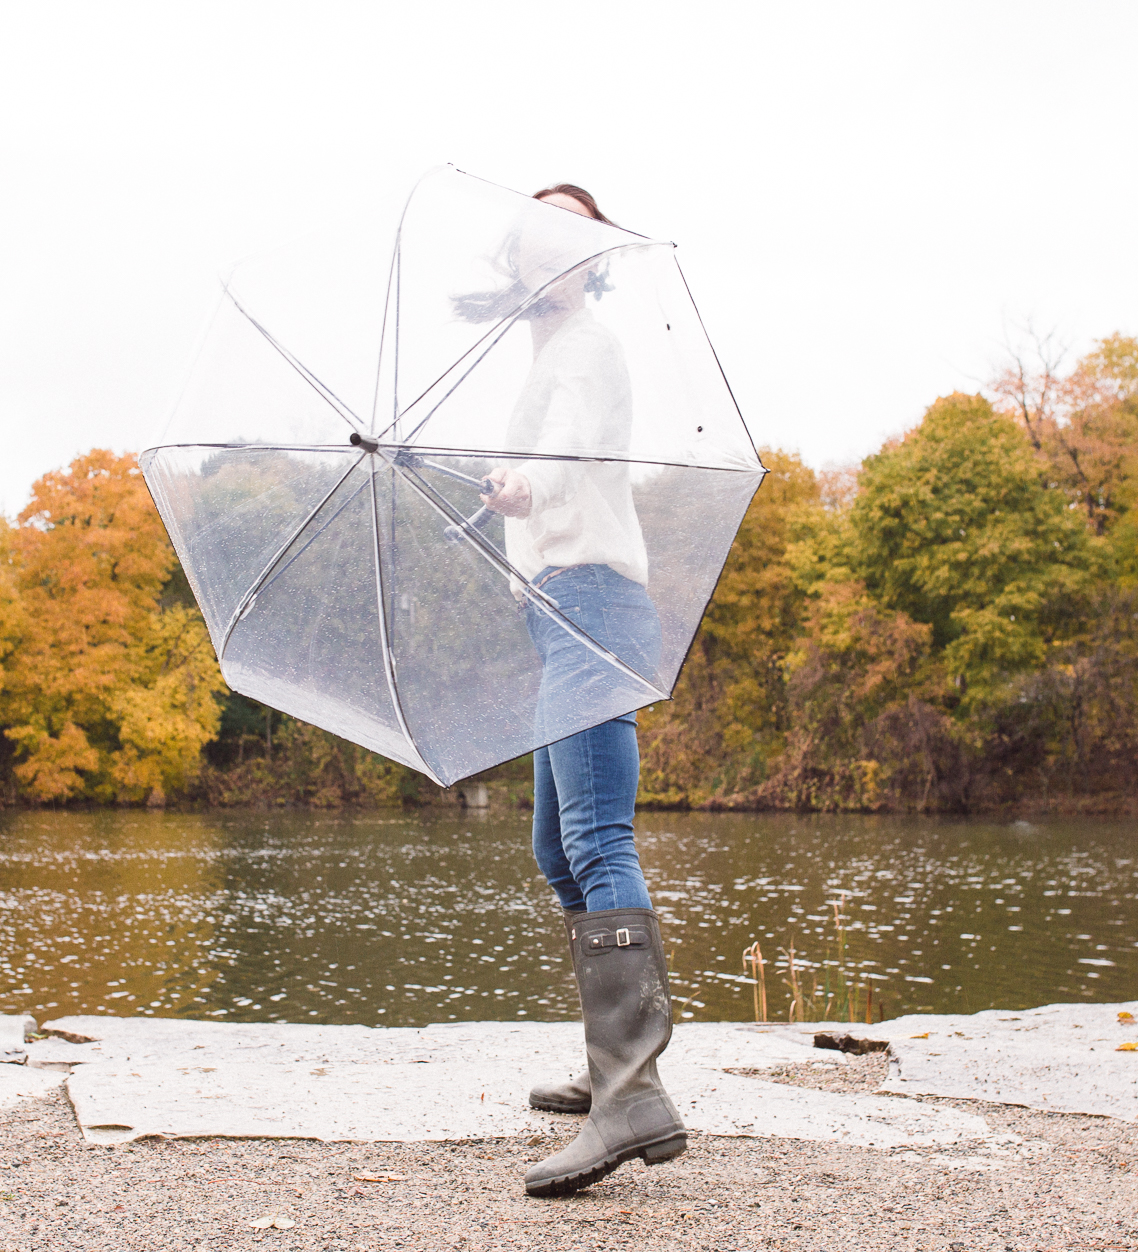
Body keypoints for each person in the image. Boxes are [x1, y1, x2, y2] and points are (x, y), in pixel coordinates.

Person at [476, 184, 686, 1198]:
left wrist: (526, 488)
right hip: (559, 612)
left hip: (597, 606)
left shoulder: (591, 348)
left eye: (571, 234)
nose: (547, 248)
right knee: (556, 845)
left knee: (601, 839)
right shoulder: (542, 358)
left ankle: (633, 1094)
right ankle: (613, 1068)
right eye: (533, 233)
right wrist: (500, 517)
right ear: (518, 260)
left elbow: (571, 459)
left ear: (587, 259)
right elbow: (534, 474)